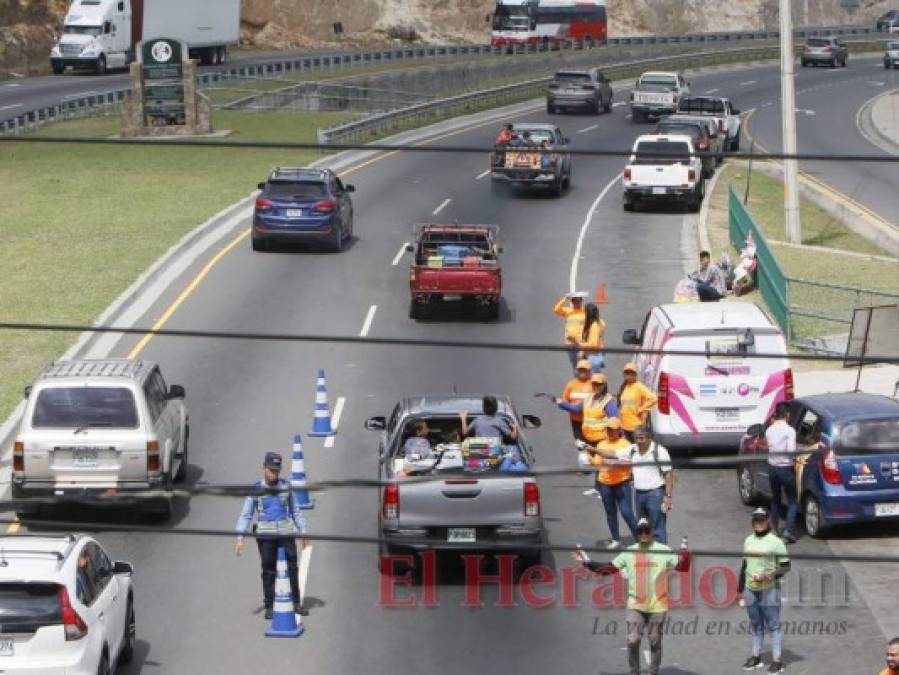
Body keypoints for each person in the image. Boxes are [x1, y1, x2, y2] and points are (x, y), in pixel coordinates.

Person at [573, 517, 692, 675]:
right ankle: (634, 672)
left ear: (652, 532)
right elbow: (607, 569)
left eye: (647, 531)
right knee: (633, 640)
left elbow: (682, 567)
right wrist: (586, 562)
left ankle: (653, 672)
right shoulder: (629, 552)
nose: (643, 534)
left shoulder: (663, 550)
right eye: (640, 531)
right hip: (635, 606)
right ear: (637, 533)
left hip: (658, 606)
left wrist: (685, 554)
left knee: (655, 642)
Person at [235, 451, 308, 620]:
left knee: (292, 567)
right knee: (268, 570)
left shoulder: (286, 487)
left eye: (276, 471)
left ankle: (296, 603)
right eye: (271, 470)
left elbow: (296, 511)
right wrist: (240, 537)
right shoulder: (256, 489)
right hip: (266, 536)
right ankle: (270, 605)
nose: (274, 474)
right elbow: (246, 514)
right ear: (263, 468)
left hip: (286, 533)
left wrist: (303, 532)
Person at [593, 426, 673, 544]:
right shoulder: (632, 449)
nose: (638, 441)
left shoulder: (660, 451)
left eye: (641, 438)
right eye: (636, 438)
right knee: (643, 527)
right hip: (639, 495)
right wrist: (592, 449)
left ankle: (662, 558)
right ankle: (647, 555)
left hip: (655, 494)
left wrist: (667, 496)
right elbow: (612, 453)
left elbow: (668, 475)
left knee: (658, 528)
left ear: (649, 437)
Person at [737, 507, 791, 674]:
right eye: (755, 520)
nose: (758, 523)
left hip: (769, 590)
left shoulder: (776, 542)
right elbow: (745, 565)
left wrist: (769, 575)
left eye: (761, 520)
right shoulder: (748, 540)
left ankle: (777, 661)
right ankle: (756, 657)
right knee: (756, 625)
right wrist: (739, 590)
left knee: (773, 625)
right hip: (750, 589)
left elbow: (786, 566)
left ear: (767, 521)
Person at [582, 418, 638, 548]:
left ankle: (639, 539)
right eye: (608, 429)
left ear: (619, 430)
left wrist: (614, 462)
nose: (610, 431)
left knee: (627, 512)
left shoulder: (625, 444)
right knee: (610, 512)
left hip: (622, 482)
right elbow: (597, 463)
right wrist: (588, 457)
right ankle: (615, 539)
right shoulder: (601, 444)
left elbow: (631, 463)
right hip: (605, 483)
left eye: (613, 429)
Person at [765, 402, 799, 543]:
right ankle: (788, 531)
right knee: (792, 501)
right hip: (785, 469)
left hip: (772, 468)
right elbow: (791, 451)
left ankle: (774, 528)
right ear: (786, 414)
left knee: (776, 499)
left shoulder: (769, 430)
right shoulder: (789, 431)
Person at [556, 372, 618, 445]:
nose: (596, 386)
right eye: (594, 384)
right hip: (586, 439)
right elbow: (576, 408)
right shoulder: (588, 398)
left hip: (601, 441)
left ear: (604, 385)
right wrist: (561, 403)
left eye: (598, 384)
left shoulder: (609, 402)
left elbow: (614, 423)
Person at [617, 363, 657, 441]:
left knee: (638, 449)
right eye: (627, 373)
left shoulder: (639, 386)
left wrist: (641, 409)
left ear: (635, 374)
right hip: (625, 426)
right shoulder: (624, 387)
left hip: (636, 426)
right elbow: (623, 406)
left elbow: (653, 399)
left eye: (631, 373)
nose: (628, 375)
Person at [557, 359, 595, 439]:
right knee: (580, 445)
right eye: (580, 370)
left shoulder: (594, 384)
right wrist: (562, 404)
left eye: (584, 370)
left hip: (591, 422)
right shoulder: (571, 384)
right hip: (576, 422)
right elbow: (564, 402)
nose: (582, 372)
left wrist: (575, 407)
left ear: (589, 371)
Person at [554, 291, 588, 368]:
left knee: (582, 364)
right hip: (570, 343)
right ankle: (577, 379)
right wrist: (565, 298)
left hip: (581, 343)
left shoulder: (585, 311)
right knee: (574, 364)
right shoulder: (568, 311)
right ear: (572, 302)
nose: (578, 302)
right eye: (576, 301)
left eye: (580, 300)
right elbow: (556, 309)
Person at [577, 302, 606, 373]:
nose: (584, 314)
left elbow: (593, 343)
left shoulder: (594, 326)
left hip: (593, 356)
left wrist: (580, 344)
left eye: (585, 312)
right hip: (595, 355)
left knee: (593, 380)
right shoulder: (599, 322)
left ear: (588, 314)